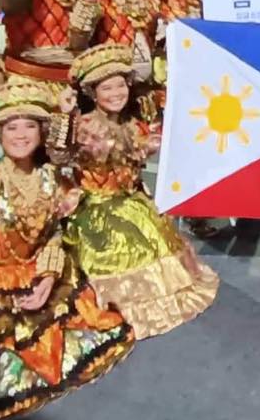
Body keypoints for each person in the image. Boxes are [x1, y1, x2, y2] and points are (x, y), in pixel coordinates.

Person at [0, 76, 134, 420]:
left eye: (29, 126)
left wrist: (48, 275)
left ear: (41, 133)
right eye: (11, 127)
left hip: (32, 270)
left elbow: (53, 234)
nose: (20, 135)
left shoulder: (53, 179)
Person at [63, 45, 220, 335]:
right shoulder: (82, 127)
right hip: (95, 211)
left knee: (155, 241)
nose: (115, 94)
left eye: (120, 85)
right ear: (92, 93)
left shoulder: (134, 125)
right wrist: (65, 113)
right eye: (106, 88)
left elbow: (156, 146)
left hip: (133, 202)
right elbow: (59, 153)